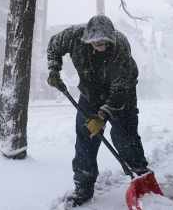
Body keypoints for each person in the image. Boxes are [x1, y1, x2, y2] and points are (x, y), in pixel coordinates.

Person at [46, 15, 149, 207]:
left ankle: (141, 175)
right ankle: (83, 187)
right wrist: (54, 70)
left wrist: (103, 115)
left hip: (122, 94)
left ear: (111, 37)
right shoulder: (73, 36)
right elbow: (53, 46)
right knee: (86, 137)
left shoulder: (120, 47)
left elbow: (120, 88)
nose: (99, 45)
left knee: (125, 136)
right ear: (87, 38)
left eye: (103, 41)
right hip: (90, 93)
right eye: (95, 42)